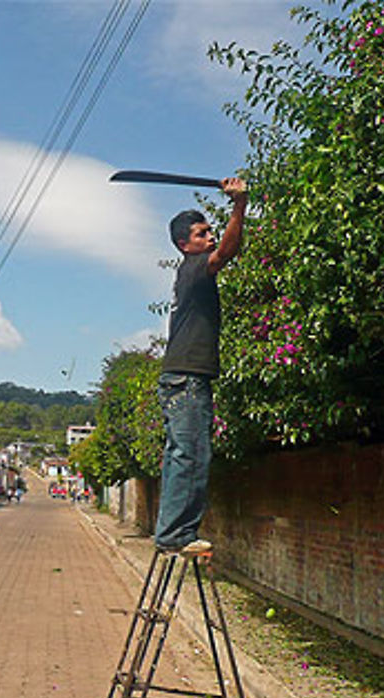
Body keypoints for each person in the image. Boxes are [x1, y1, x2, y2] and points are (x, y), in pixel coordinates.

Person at [154, 176, 248, 556]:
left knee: (184, 453)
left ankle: (174, 531)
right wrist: (239, 205)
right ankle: (176, 535)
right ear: (184, 244)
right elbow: (227, 253)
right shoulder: (194, 267)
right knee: (191, 453)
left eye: (210, 230)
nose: (210, 237)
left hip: (183, 377)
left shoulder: (190, 273)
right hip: (187, 378)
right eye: (202, 233)